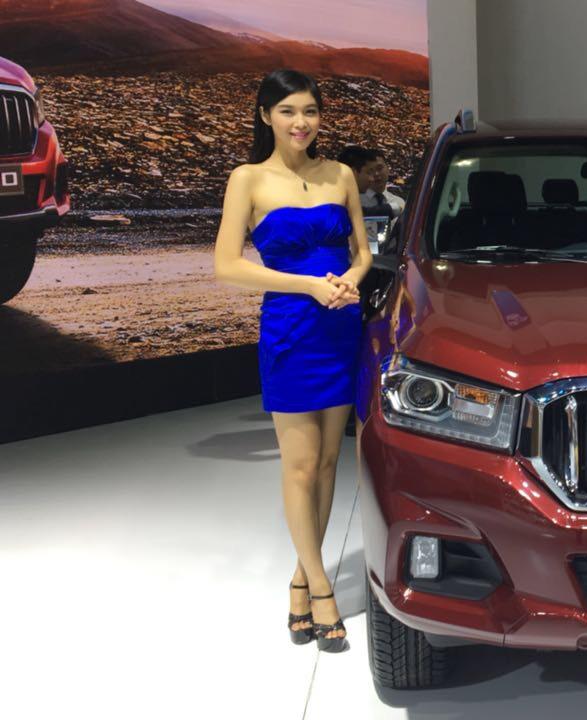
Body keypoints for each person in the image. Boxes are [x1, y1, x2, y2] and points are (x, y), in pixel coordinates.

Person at [212, 69, 372, 653]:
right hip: (291, 329)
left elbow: (362, 252)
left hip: (341, 326)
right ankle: (322, 589)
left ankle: (301, 580)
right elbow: (227, 266)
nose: (301, 122)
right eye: (287, 111)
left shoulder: (341, 174)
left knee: (329, 464)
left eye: (309, 111)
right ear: (265, 116)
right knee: (300, 467)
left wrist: (350, 280)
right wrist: (308, 285)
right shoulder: (248, 178)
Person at [339, 145, 405, 219]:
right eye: (369, 171)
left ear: (388, 168)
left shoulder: (399, 202)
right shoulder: (348, 202)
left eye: (379, 168)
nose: (375, 174)